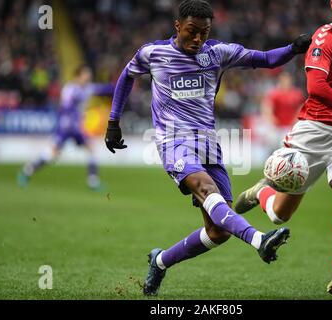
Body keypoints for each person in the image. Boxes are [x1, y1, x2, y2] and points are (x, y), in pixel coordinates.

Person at [105, 0, 311, 296]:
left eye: (204, 32)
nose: (198, 39)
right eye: (191, 31)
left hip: (208, 145)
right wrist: (113, 121)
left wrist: (293, 48)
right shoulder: (153, 53)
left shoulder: (217, 53)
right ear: (178, 26)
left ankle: (160, 261)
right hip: (173, 142)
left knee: (218, 232)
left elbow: (265, 59)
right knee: (205, 189)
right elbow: (126, 76)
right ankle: (260, 240)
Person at [234, 0, 332, 297]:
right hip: (313, 133)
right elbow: (317, 87)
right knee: (279, 216)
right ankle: (261, 191)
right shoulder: (324, 38)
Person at [18, 65, 113, 190]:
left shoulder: (88, 88)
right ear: (78, 76)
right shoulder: (70, 89)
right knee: (52, 154)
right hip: (66, 126)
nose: (88, 77)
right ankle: (27, 170)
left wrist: (125, 82)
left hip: (77, 127)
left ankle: (93, 182)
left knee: (91, 148)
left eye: (89, 74)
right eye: (86, 74)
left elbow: (105, 89)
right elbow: (66, 107)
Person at [261, 71, 305, 150]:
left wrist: (296, 119)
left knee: (288, 149)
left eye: (287, 79)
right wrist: (271, 118)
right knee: (274, 148)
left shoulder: (297, 93)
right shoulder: (275, 93)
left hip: (290, 127)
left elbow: (302, 107)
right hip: (277, 127)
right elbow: (267, 106)